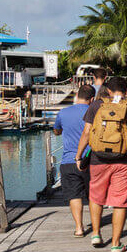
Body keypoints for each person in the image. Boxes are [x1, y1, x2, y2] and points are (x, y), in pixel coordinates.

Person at [75, 76, 127, 252]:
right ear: (126, 90)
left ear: (108, 90)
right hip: (124, 160)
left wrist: (78, 156)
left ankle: (95, 234)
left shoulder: (96, 105)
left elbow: (86, 133)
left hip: (98, 159)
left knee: (96, 196)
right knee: (120, 201)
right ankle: (116, 244)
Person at [53, 84, 95, 237]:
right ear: (92, 99)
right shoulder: (94, 112)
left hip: (69, 160)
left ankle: (79, 227)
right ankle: (95, 226)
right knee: (93, 195)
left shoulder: (63, 112)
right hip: (91, 160)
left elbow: (56, 131)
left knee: (74, 195)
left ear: (77, 96)